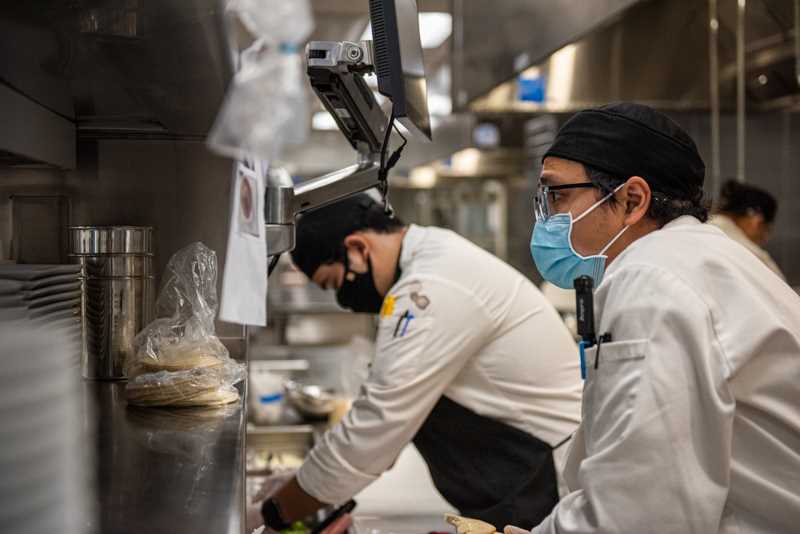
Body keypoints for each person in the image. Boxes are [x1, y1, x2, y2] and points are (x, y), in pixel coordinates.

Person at [510, 102, 800, 534]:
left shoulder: (653, 282)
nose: (546, 218)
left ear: (632, 199)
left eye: (558, 196)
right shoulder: (694, 257)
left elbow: (638, 514)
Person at [258, 194, 583, 531]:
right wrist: (309, 479)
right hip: (520, 471)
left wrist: (275, 513)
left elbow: (377, 426)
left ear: (357, 248)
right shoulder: (434, 259)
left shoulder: (430, 287)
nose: (343, 300)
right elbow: (385, 430)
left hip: (543, 479)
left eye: (336, 283)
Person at [710, 179, 784, 279]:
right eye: (767, 230)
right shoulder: (753, 256)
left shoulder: (697, 229)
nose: (766, 239)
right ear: (756, 222)